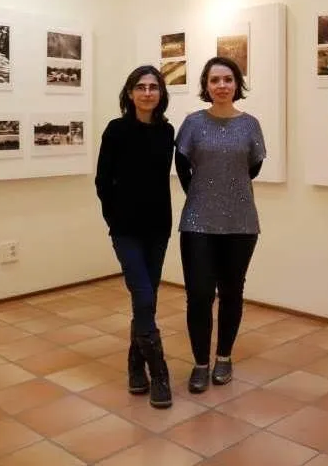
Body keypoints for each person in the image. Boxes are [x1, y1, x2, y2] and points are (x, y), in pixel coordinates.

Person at [174, 56, 266, 394]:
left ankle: (223, 357)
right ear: (206, 85)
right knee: (199, 295)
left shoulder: (250, 125)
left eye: (228, 79)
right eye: (215, 80)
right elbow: (182, 164)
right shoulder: (193, 123)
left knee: (231, 292)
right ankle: (200, 363)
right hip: (197, 221)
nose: (222, 86)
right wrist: (203, 195)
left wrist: (227, 192)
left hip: (241, 222)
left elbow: (253, 167)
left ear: (237, 84)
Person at [94, 65, 175, 409]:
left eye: (153, 87)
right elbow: (102, 181)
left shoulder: (167, 131)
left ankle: (134, 365)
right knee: (142, 295)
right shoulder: (116, 130)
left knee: (147, 298)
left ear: (161, 93)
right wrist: (114, 218)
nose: (147, 93)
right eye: (140, 87)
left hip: (158, 228)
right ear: (130, 93)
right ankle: (159, 372)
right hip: (126, 230)